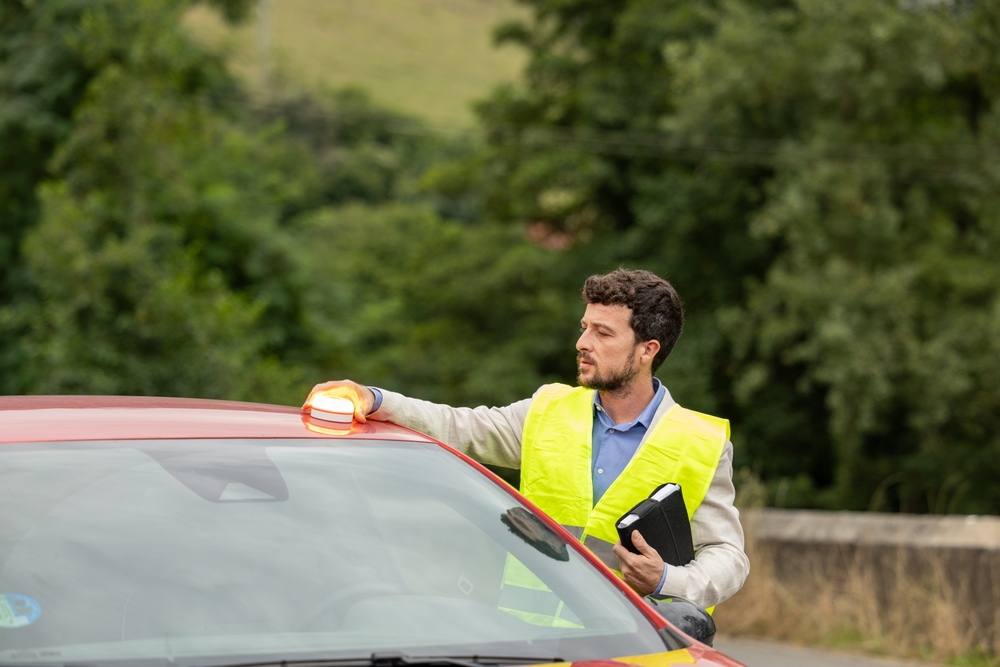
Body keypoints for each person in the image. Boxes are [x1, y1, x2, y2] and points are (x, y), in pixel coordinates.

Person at [303, 268, 749, 611]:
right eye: (584, 326)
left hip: (637, 645)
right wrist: (375, 398)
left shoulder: (701, 441)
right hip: (533, 640)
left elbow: (727, 555)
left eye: (603, 332)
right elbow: (460, 428)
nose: (582, 342)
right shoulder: (548, 408)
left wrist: (668, 582)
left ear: (647, 349)